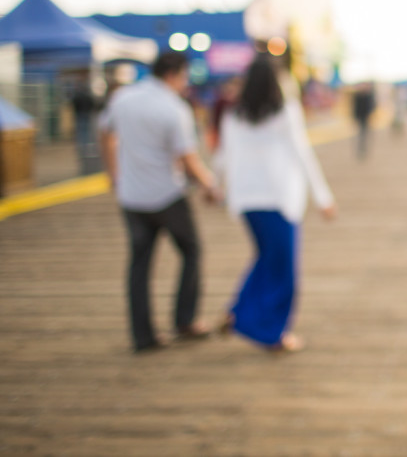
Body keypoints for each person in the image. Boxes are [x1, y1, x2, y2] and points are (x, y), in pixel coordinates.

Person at [99, 51, 220, 353]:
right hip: (167, 195)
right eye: (184, 76)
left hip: (132, 196)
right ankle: (185, 320)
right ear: (173, 74)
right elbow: (188, 158)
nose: (185, 83)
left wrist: (114, 173)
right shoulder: (174, 108)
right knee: (191, 251)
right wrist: (209, 185)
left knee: (139, 264)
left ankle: (143, 336)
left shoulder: (123, 98)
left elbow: (105, 133)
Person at [219, 55, 336, 352]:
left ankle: (238, 311)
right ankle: (274, 333)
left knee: (266, 257)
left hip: (246, 200)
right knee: (283, 268)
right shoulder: (286, 112)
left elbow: (224, 157)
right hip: (279, 199)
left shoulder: (234, 115)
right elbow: (302, 154)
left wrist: (215, 186)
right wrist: (323, 197)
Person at [351, 82, 376, 159]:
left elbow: (372, 106)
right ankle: (361, 149)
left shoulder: (368, 96)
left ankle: (363, 149)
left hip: (366, 118)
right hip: (361, 117)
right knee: (362, 134)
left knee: (364, 134)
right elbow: (355, 108)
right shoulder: (358, 96)